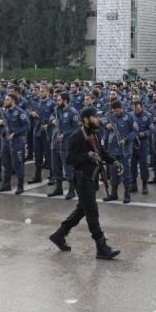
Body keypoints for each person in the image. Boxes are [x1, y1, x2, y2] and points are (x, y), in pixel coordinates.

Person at [49, 107, 121, 260]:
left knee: (83, 209)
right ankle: (101, 247)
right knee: (92, 211)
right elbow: (69, 159)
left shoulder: (95, 133)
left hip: (92, 177)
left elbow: (101, 151)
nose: (98, 119)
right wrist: (87, 155)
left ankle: (59, 234)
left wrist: (114, 161)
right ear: (86, 120)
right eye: (95, 117)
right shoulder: (76, 137)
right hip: (82, 179)